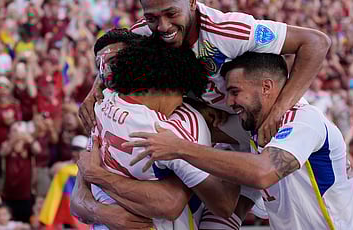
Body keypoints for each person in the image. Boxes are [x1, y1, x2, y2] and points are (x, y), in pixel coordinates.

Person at [78, 0, 331, 223]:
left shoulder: (229, 31)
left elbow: (316, 42)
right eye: (152, 17)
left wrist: (278, 110)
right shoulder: (144, 32)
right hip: (223, 129)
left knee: (296, 210)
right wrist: (94, 90)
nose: (162, 26)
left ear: (191, 1)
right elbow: (115, 55)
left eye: (171, 13)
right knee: (227, 212)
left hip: (261, 123)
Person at [125, 52, 353, 230]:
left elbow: (262, 172)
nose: (229, 102)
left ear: (266, 87)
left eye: (235, 91)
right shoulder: (252, 129)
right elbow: (205, 125)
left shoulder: (304, 121)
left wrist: (179, 148)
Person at [71, 29, 241, 230]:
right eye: (102, 66)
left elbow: (170, 204)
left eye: (118, 63)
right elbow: (78, 199)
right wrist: (102, 213)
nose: (109, 73)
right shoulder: (102, 104)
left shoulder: (180, 124)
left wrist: (99, 177)